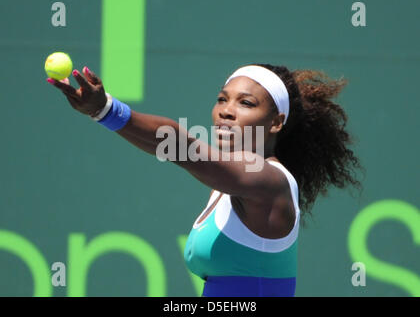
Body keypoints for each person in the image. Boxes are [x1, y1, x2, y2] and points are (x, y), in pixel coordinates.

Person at [47, 63, 362, 297]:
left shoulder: (269, 181)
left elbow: (180, 147)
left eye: (245, 103)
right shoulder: (227, 187)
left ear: (276, 122)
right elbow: (169, 150)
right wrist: (103, 116)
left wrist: (107, 110)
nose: (226, 111)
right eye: (222, 99)